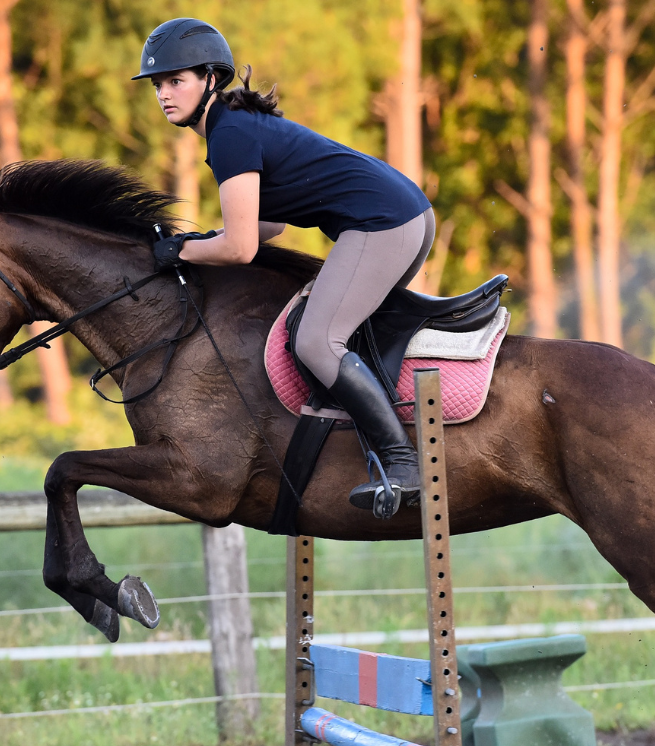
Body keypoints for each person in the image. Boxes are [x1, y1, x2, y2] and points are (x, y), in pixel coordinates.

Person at [133, 18, 434, 511]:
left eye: (176, 80)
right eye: (158, 85)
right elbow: (267, 228)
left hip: (385, 223)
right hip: (407, 216)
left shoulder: (229, 135)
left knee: (317, 339)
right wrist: (201, 240)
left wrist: (180, 250)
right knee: (329, 329)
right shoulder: (235, 124)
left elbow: (241, 248)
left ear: (211, 78)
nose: (164, 93)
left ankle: (403, 463)